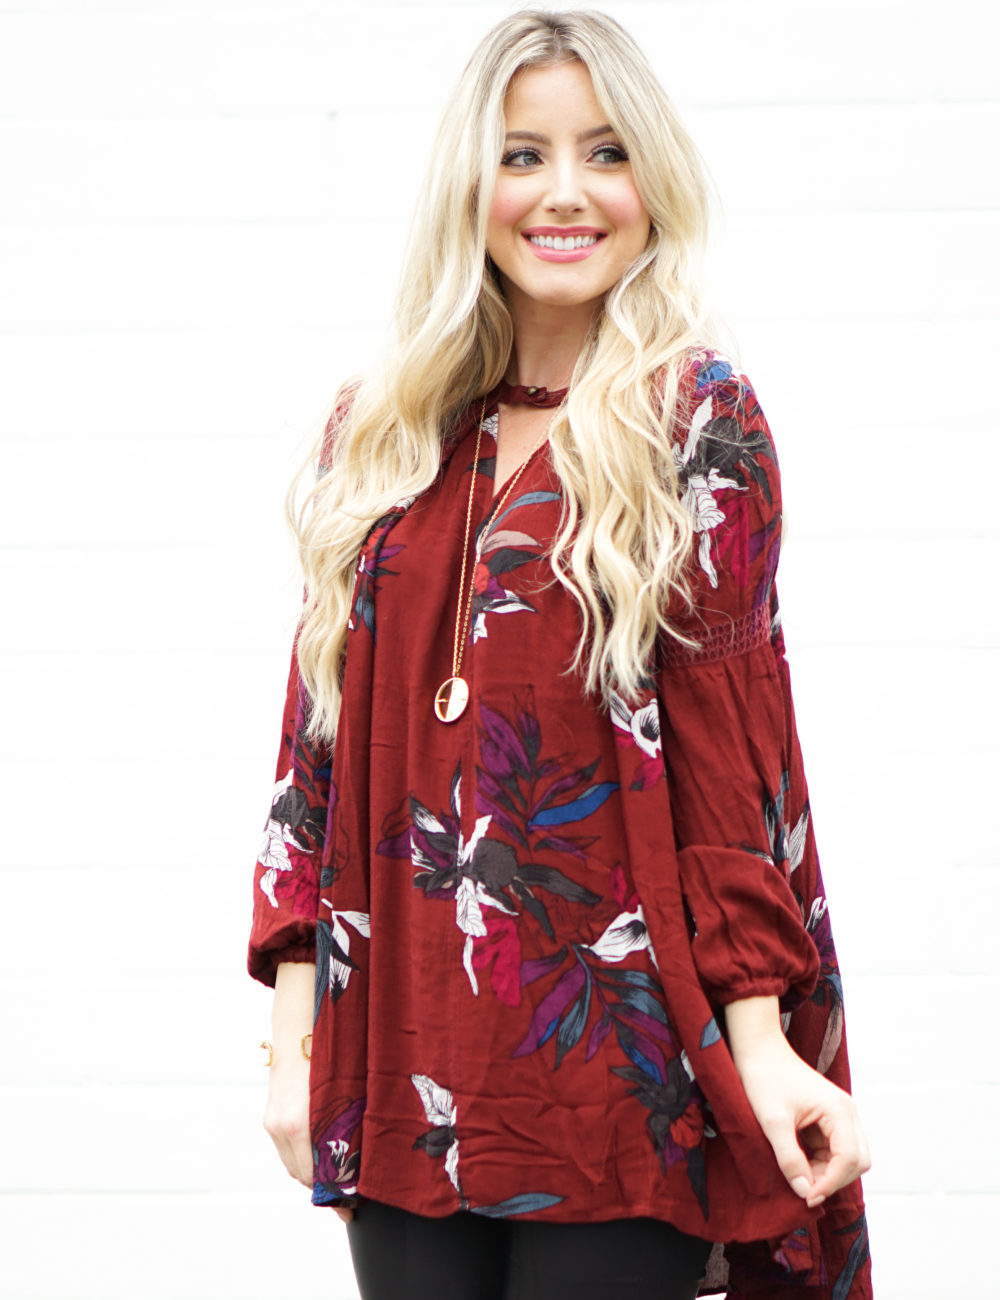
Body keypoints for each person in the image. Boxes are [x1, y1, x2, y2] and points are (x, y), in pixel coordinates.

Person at [248, 10, 872, 1299]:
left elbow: (733, 758)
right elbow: (315, 745)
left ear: (654, 181)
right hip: (405, 1049)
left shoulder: (695, 421)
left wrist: (759, 1037)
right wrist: (292, 1035)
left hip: (621, 1063)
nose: (567, 192)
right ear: (469, 183)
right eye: (523, 155)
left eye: (606, 152)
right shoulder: (381, 432)